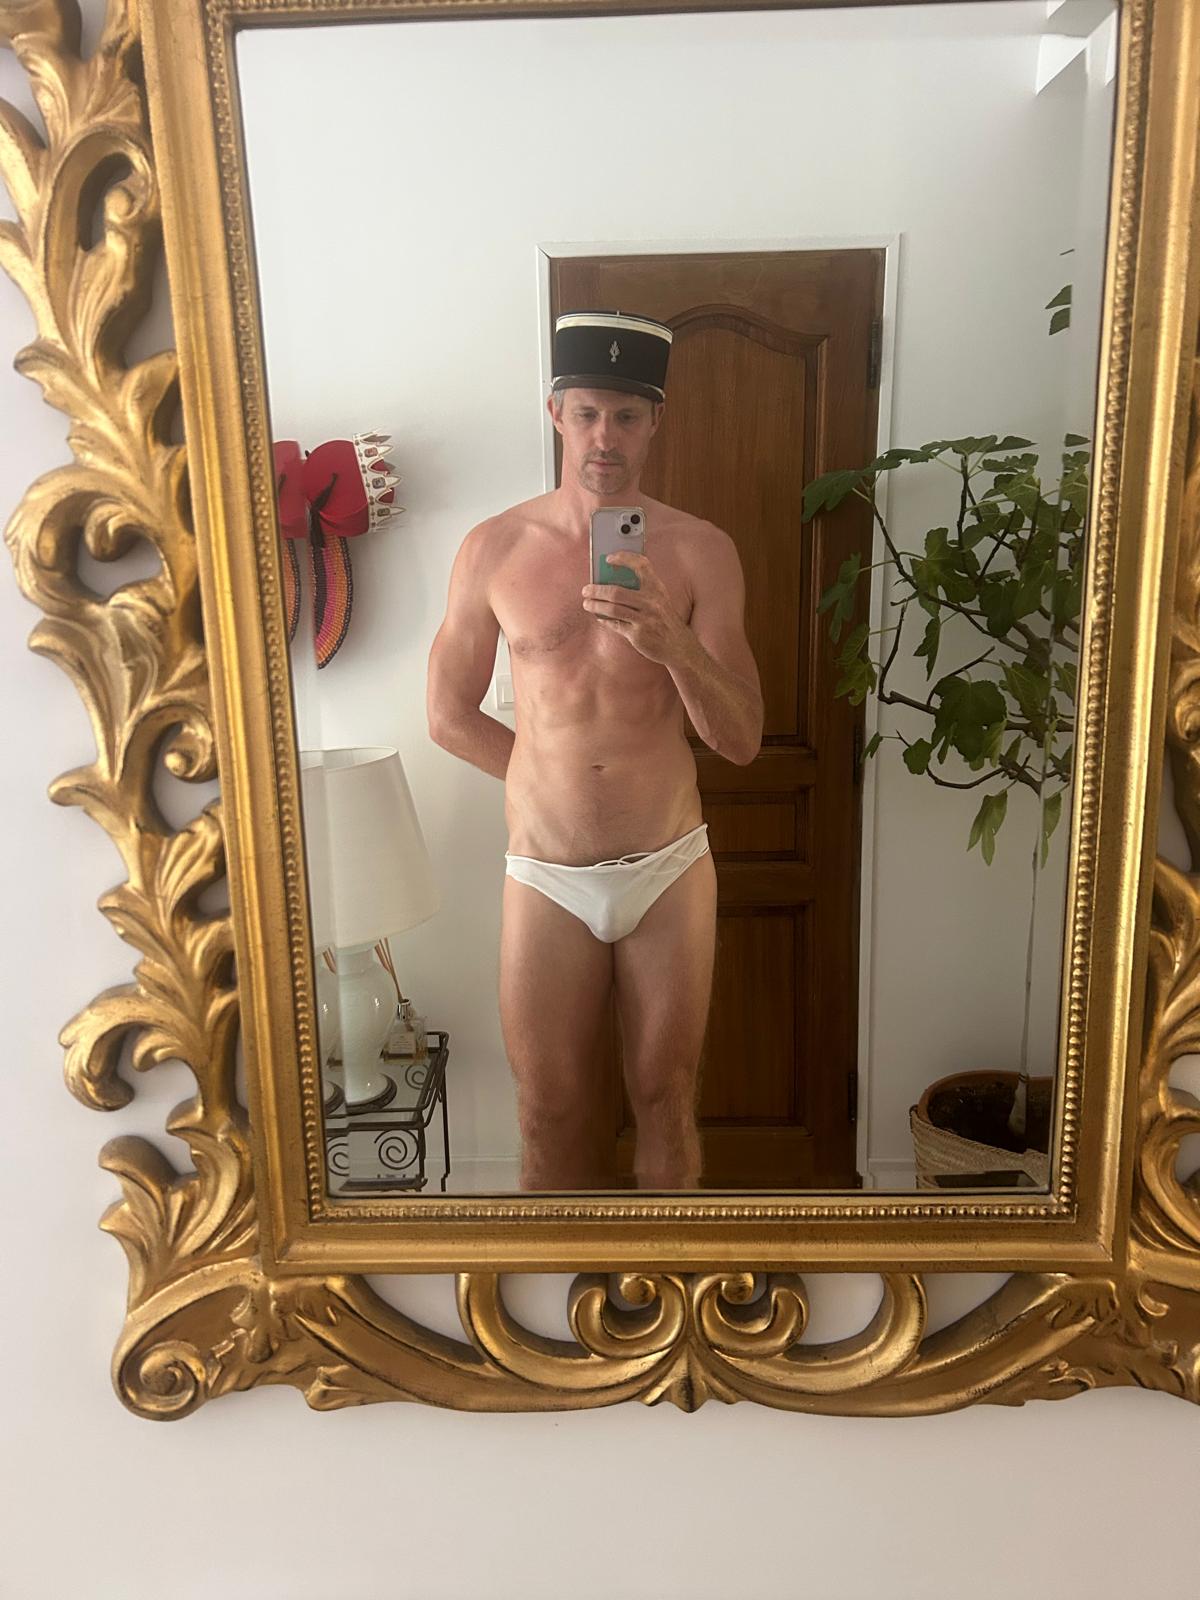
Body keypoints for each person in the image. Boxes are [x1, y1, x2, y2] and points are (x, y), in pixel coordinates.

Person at [427, 310, 763, 1190]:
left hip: (667, 865)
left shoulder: (702, 551)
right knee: (547, 1110)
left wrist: (674, 646)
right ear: (556, 414)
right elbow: (447, 714)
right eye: (586, 414)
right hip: (546, 873)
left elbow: (740, 739)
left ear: (655, 422)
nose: (604, 437)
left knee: (666, 1097)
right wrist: (549, 777)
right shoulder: (494, 548)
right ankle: (562, 1282)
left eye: (625, 416)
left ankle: (668, 1277)